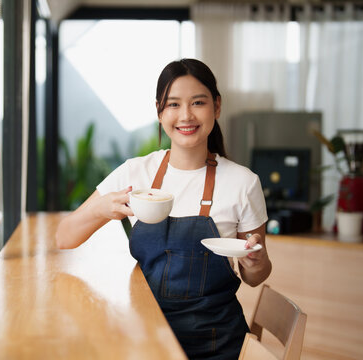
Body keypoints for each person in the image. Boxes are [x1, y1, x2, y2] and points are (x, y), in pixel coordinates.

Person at [55, 58, 272, 359]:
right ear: (159, 111)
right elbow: (64, 237)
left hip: (216, 343)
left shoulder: (243, 183)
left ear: (216, 107)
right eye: (173, 104)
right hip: (143, 338)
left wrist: (254, 261)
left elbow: (256, 276)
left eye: (198, 102)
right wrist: (103, 208)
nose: (186, 115)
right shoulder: (135, 173)